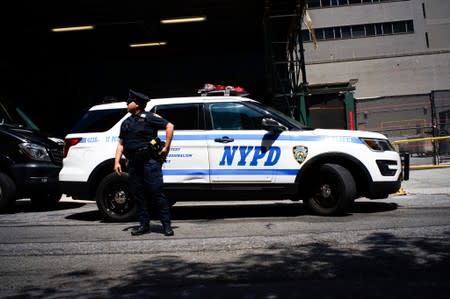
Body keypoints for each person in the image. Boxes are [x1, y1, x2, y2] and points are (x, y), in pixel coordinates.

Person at [114, 89, 174, 236]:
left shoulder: (149, 117)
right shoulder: (126, 123)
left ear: (138, 104)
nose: (127, 103)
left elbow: (170, 126)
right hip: (134, 164)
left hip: (150, 162)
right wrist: (117, 161)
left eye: (130, 101)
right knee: (139, 195)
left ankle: (166, 225)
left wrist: (166, 147)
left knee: (157, 193)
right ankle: (144, 225)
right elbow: (121, 143)